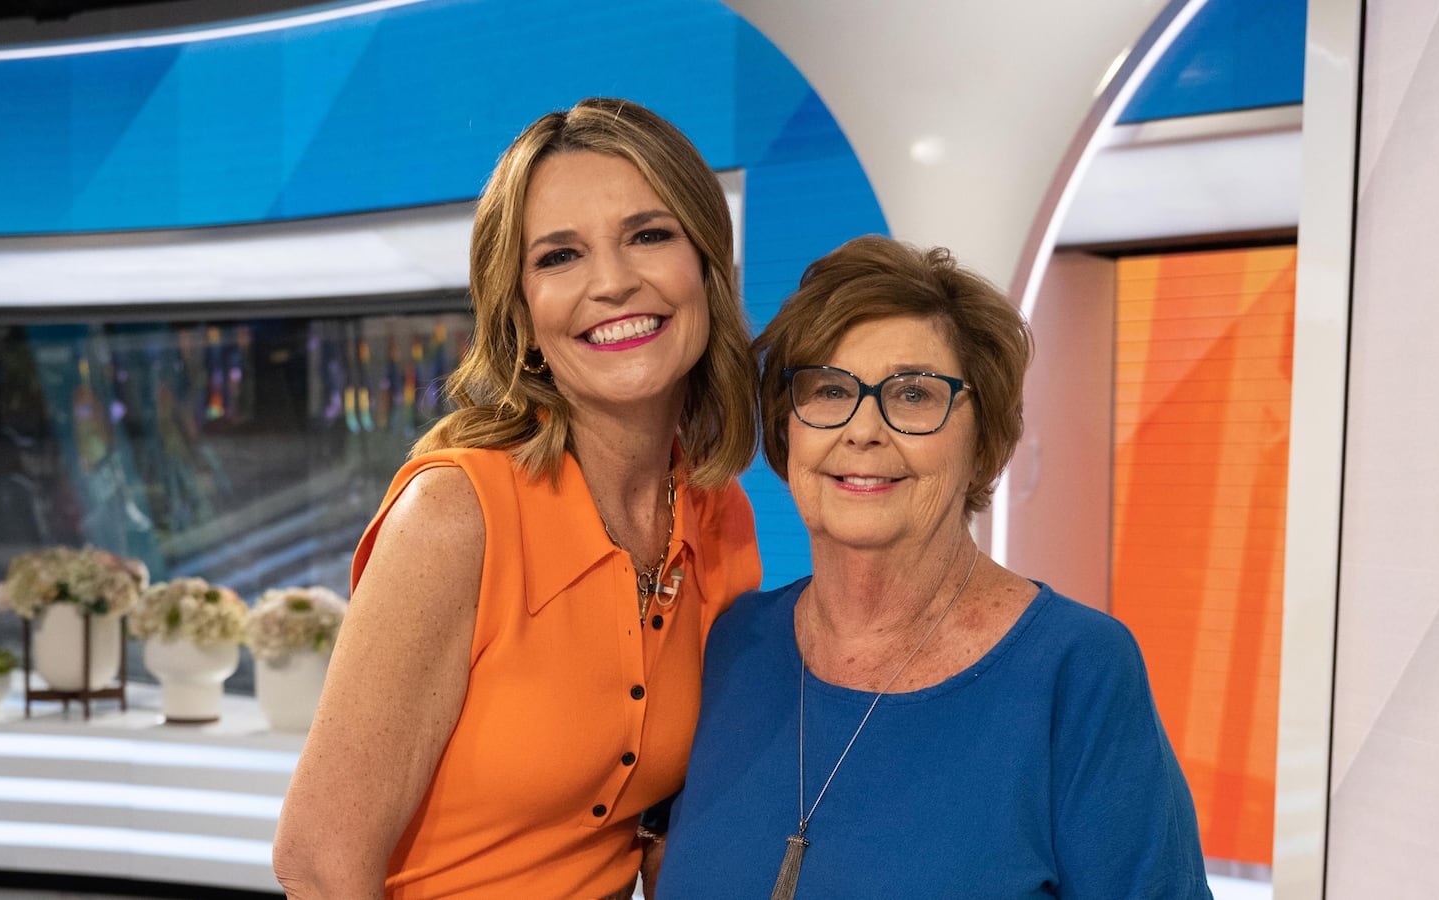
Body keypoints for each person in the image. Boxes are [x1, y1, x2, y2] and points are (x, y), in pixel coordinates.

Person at [273, 98, 762, 899]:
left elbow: (667, 830)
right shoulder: (453, 517)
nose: (612, 282)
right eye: (560, 257)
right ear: (524, 318)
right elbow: (321, 864)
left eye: (649, 234)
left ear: (707, 266)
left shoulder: (720, 512)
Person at [660, 235, 1213, 898]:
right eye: (830, 390)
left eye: (914, 395)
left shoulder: (1078, 673)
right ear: (787, 429)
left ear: (983, 439)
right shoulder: (730, 645)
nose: (863, 430)